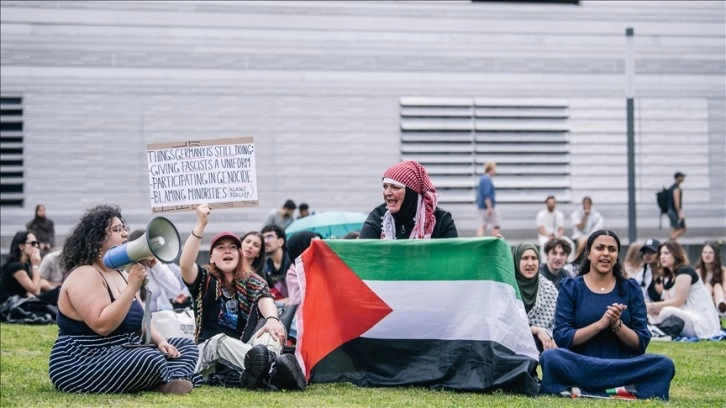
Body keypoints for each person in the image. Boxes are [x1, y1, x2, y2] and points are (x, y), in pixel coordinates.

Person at [48, 205, 199, 394]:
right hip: (84, 359)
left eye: (124, 228)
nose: (125, 234)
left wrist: (161, 342)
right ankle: (165, 380)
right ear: (96, 238)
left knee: (186, 347)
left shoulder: (120, 273)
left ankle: (161, 381)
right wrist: (131, 288)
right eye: (117, 230)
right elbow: (102, 326)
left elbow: (142, 320)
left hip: (124, 349)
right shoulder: (85, 274)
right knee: (149, 358)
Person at [180, 203, 306, 391]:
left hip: (242, 352)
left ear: (239, 255)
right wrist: (200, 225)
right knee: (220, 340)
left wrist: (272, 319)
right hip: (208, 352)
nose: (227, 251)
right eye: (221, 248)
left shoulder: (250, 281)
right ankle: (276, 372)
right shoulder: (205, 278)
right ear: (212, 257)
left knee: (270, 335)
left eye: (232, 247)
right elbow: (185, 264)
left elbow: (265, 297)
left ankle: (264, 372)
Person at [539, 230, 675, 400]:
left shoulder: (630, 288)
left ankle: (581, 390)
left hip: (622, 367)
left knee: (664, 364)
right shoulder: (571, 287)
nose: (605, 253)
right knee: (550, 357)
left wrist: (617, 325)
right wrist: (600, 324)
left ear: (617, 255)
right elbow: (562, 337)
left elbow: (640, 343)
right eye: (600, 248)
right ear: (589, 253)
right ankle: (623, 390)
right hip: (582, 364)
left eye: (612, 249)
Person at [359, 160, 457, 239]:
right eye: (385, 187)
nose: (387, 193)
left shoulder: (441, 220)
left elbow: (452, 259)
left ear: (411, 193)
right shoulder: (377, 217)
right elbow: (364, 256)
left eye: (395, 187)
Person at [647, 241, 721, 339]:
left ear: (676, 255)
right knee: (649, 312)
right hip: (684, 316)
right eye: (660, 254)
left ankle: (656, 329)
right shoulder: (668, 278)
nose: (662, 257)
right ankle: (654, 329)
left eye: (666, 253)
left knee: (666, 311)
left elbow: (678, 302)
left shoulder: (685, 271)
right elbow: (667, 303)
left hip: (701, 322)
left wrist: (651, 306)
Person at [128, 229, 190, 313]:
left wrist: (157, 267)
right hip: (145, 321)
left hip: (163, 319)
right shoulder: (131, 271)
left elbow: (176, 291)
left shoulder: (154, 269)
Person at [512, 242, 558, 353]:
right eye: (525, 258)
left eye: (534, 258)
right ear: (516, 261)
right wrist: (536, 330)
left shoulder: (548, 288)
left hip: (545, 346)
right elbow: (505, 323)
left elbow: (559, 323)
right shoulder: (509, 287)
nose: (530, 263)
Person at [0, 230, 43, 303]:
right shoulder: (15, 266)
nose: (36, 246)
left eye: (37, 243)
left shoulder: (24, 265)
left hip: (20, 304)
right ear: (21, 246)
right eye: (33, 243)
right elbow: (36, 291)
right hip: (10, 308)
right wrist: (35, 265)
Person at [261, 225, 292, 302]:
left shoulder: (292, 262)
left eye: (270, 237)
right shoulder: (266, 266)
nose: (265, 241)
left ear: (280, 242)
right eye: (263, 238)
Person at [694, 242, 726, 314]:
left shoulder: (723, 271)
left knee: (717, 286)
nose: (707, 255)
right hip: (703, 301)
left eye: (710, 253)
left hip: (719, 298)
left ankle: (721, 306)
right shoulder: (697, 272)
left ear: (715, 255)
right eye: (705, 252)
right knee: (707, 285)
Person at [629, 239, 663, 303]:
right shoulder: (641, 274)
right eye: (645, 252)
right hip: (650, 310)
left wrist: (662, 293)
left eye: (652, 252)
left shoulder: (668, 272)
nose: (647, 255)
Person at [476, 162, 500, 237]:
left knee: (483, 225)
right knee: (496, 224)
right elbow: (487, 194)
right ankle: (495, 242)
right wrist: (489, 207)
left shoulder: (483, 178)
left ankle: (479, 243)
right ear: (490, 169)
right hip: (486, 207)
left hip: (481, 207)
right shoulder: (487, 179)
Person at [668, 172, 687, 241]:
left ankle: (671, 243)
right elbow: (677, 202)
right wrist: (680, 213)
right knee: (683, 228)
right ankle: (670, 243)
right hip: (674, 211)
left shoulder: (672, 187)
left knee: (675, 228)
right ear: (678, 178)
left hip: (671, 211)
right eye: (682, 177)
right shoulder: (676, 188)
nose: (683, 178)